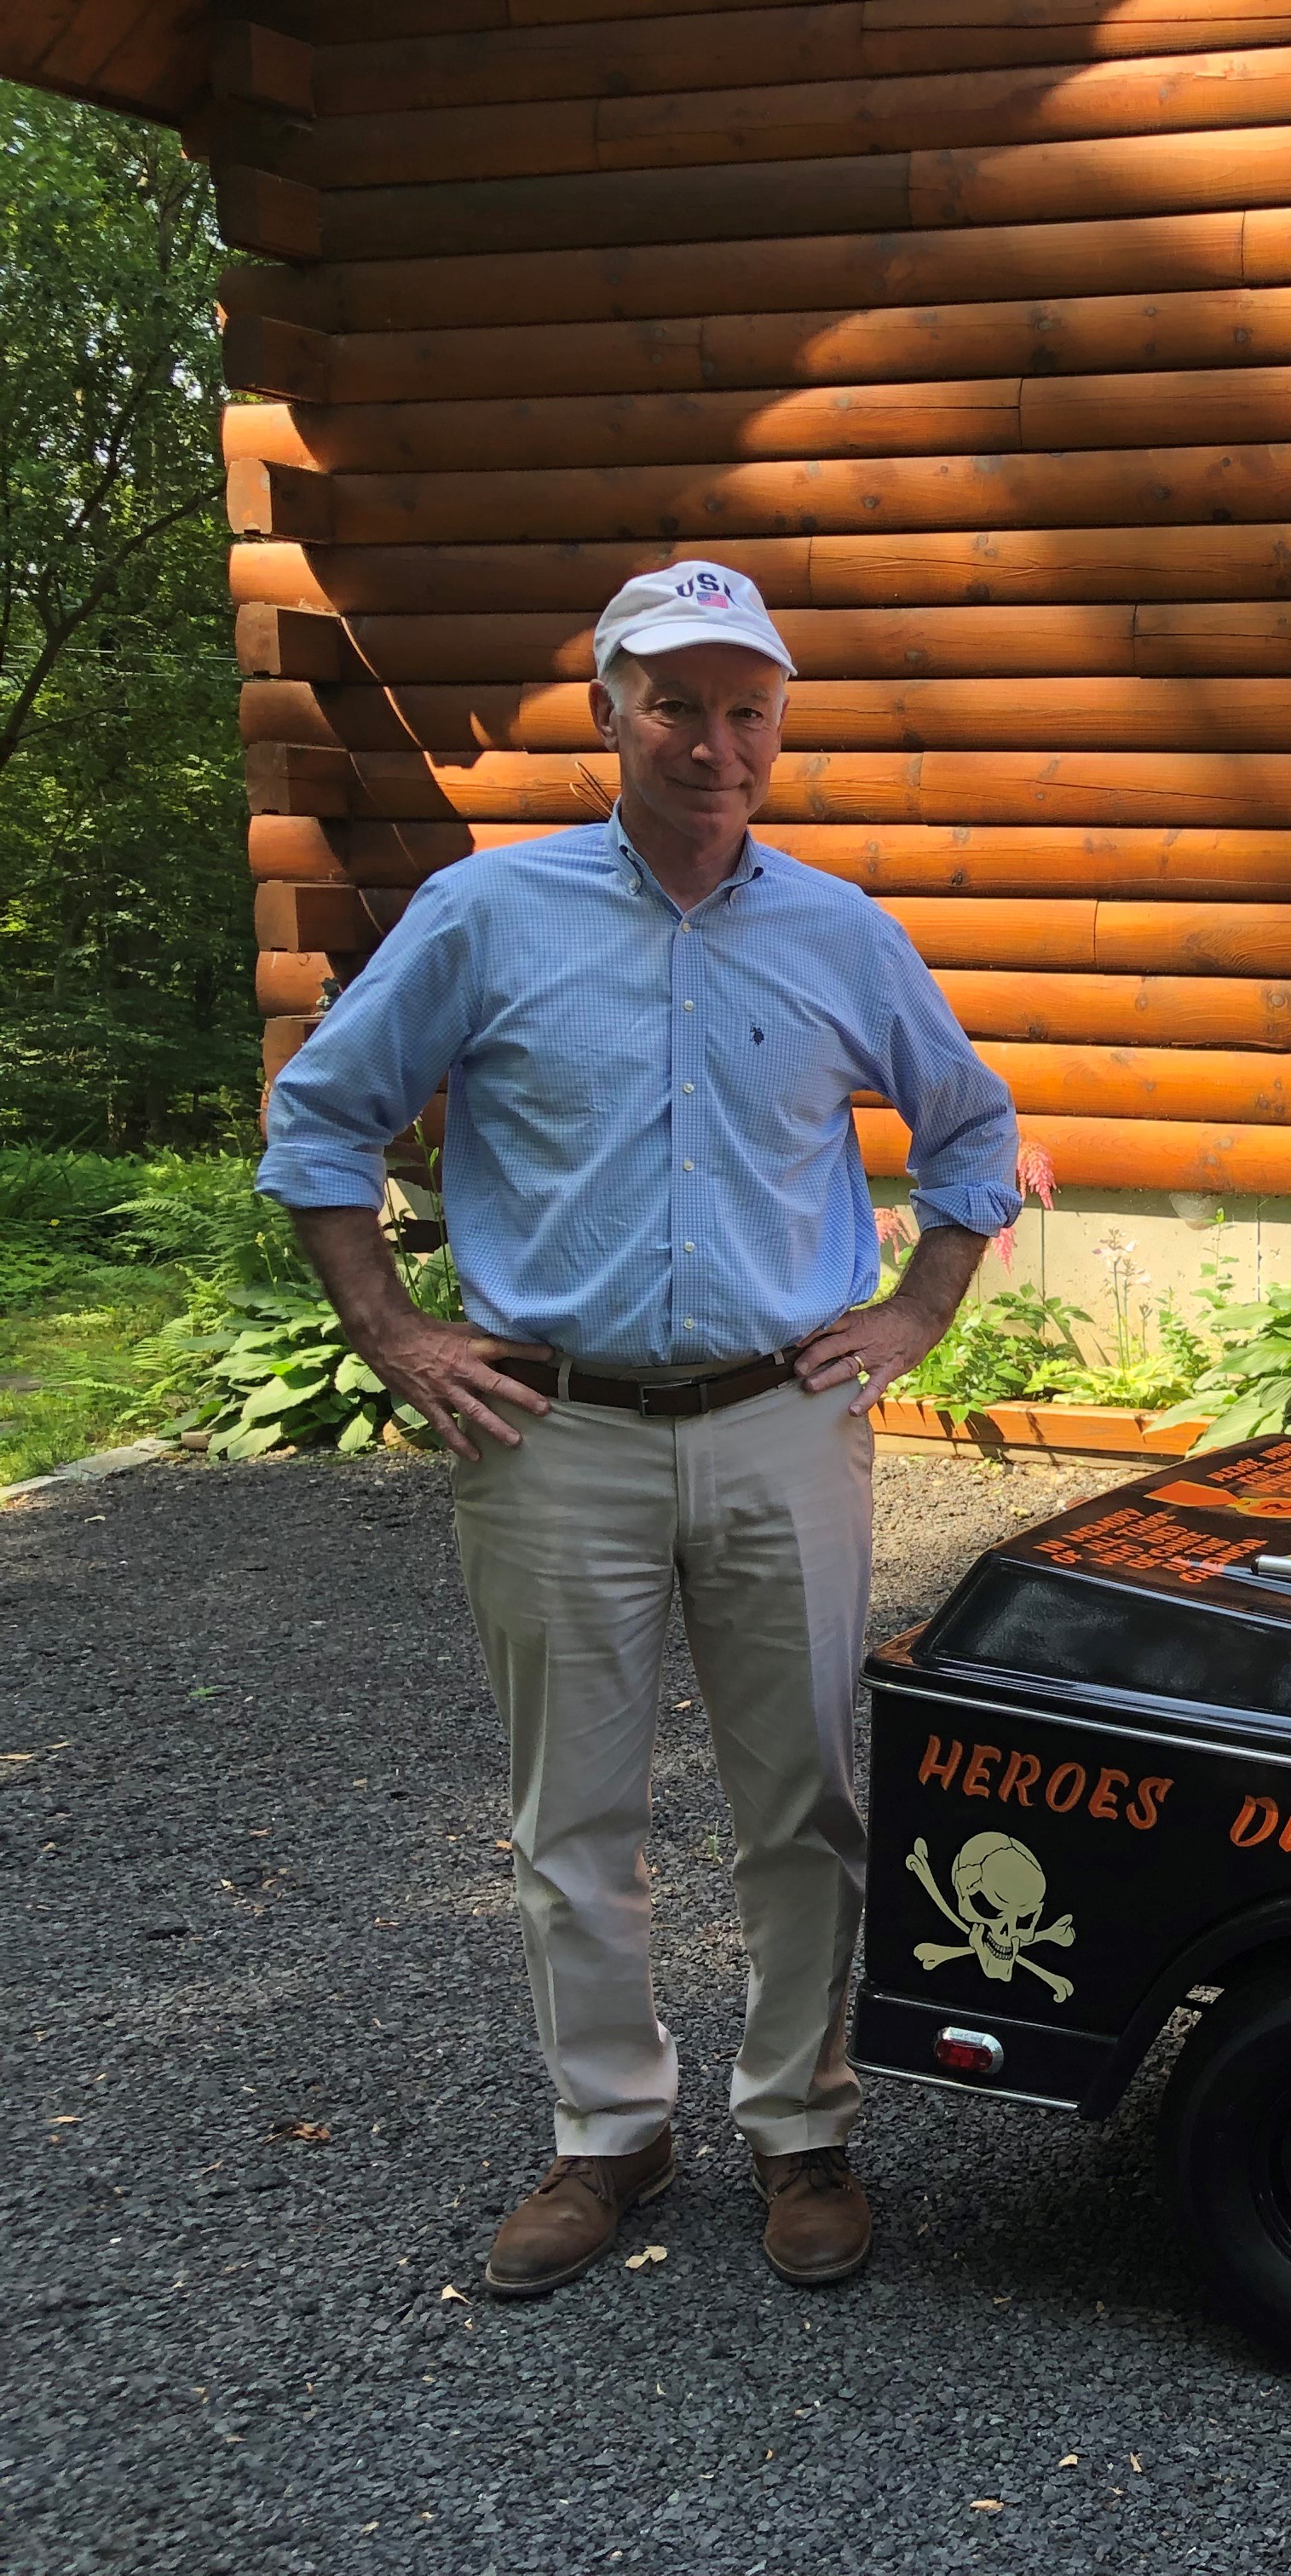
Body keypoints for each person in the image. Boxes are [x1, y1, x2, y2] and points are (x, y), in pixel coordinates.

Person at [257, 562, 1021, 2297]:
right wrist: (391, 1331)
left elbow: (970, 1136)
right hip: (555, 1431)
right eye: (676, 702)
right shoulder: (487, 917)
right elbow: (321, 1124)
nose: (714, 741)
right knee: (572, 1814)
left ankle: (800, 2125)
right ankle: (609, 2133)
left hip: (778, 1423)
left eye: (746, 707)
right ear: (610, 711)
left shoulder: (838, 932)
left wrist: (914, 1316)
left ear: (778, 725)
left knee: (806, 1798)